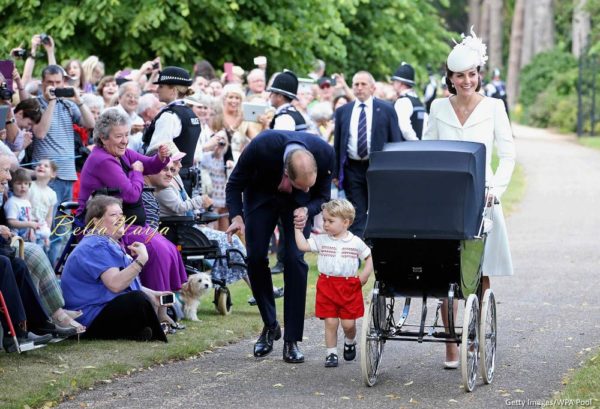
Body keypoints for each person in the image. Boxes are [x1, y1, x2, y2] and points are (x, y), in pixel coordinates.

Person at [423, 28, 515, 368]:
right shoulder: (437, 108)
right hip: (446, 198)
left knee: (481, 271)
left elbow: (507, 155)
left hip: (484, 196)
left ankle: (474, 337)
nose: (466, 81)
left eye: (471, 74)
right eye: (459, 76)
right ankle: (450, 343)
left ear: (479, 75)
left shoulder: (494, 107)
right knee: (446, 273)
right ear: (450, 78)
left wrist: (497, 191)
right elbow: (427, 152)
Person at [226, 129, 335, 363]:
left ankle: (292, 340)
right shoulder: (261, 146)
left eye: (310, 185)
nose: (308, 188)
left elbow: (322, 195)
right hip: (260, 198)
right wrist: (236, 216)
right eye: (302, 185)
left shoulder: (325, 152)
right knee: (255, 258)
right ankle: (270, 324)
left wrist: (308, 208)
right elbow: (234, 184)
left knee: (295, 260)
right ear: (286, 171)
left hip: (297, 208)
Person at [76, 109, 188, 322]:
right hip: (98, 227)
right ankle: (155, 312)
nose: (125, 141)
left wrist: (161, 158)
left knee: (167, 247)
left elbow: (149, 164)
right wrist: (136, 172)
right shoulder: (103, 159)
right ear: (103, 137)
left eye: (127, 134)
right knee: (154, 247)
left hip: (122, 223)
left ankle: (163, 310)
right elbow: (131, 193)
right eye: (119, 136)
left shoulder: (122, 153)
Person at [61, 195, 168, 342]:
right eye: (113, 215)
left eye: (121, 214)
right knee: (137, 300)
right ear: (97, 222)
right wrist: (141, 260)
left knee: (145, 299)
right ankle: (147, 331)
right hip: (87, 318)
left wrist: (153, 294)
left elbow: (123, 283)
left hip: (99, 309)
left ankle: (139, 332)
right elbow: (116, 285)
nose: (120, 219)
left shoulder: (106, 242)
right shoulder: (96, 245)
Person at [294, 199, 372, 367]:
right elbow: (302, 245)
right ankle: (331, 353)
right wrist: (297, 229)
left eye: (330, 221)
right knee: (330, 321)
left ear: (346, 222)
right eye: (324, 220)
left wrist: (364, 275)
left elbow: (369, 256)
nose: (325, 224)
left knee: (348, 324)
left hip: (348, 287)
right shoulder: (322, 240)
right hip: (327, 285)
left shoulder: (355, 242)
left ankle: (350, 341)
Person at [333, 70, 402, 237]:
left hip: (378, 168)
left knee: (379, 209)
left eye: (363, 84)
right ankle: (359, 251)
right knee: (356, 212)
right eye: (356, 84)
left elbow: (396, 141)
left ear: (372, 88)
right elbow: (338, 145)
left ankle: (377, 248)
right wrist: (335, 172)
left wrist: (396, 169)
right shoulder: (344, 111)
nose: (359, 88)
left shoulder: (386, 109)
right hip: (353, 168)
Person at [143, 66, 200, 197]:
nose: (157, 90)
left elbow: (156, 150)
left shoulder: (169, 116)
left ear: (173, 90)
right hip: (184, 177)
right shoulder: (191, 114)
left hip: (168, 180)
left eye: (161, 86)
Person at [391, 62, 427, 140]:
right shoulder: (418, 101)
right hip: (418, 146)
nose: (393, 83)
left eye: (395, 81)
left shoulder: (403, 101)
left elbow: (405, 129)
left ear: (400, 83)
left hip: (406, 148)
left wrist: (416, 144)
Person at [29, 159, 58, 252]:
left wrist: (47, 235)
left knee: (39, 252)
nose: (41, 166)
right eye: (39, 165)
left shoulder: (52, 194)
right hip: (28, 226)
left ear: (53, 174)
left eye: (46, 166)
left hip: (41, 229)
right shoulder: (29, 186)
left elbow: (49, 217)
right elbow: (26, 209)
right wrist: (30, 229)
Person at [5, 169, 37, 242]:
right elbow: (11, 222)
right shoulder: (12, 202)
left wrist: (31, 232)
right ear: (12, 185)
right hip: (15, 240)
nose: (23, 186)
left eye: (26, 183)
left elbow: (29, 219)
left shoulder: (27, 202)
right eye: (19, 183)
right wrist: (29, 224)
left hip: (26, 239)